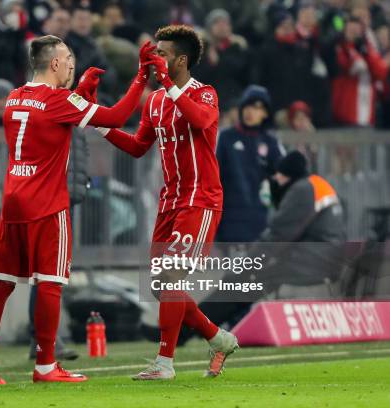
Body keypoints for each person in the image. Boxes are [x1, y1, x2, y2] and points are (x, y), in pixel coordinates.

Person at [0, 34, 156, 384]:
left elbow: (54, 121)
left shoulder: (14, 97)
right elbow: (116, 116)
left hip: (12, 200)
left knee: (2, 283)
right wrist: (140, 77)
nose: (73, 65)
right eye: (69, 58)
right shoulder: (59, 100)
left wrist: (80, 96)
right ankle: (45, 366)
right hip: (47, 202)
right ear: (55, 62)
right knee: (51, 283)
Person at [95, 25, 238, 380]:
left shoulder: (204, 93)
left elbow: (202, 120)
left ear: (182, 60)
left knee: (171, 278)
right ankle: (218, 338)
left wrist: (170, 86)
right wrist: (99, 123)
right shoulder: (156, 100)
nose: (155, 58)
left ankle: (164, 363)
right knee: (160, 285)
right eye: (153, 52)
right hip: (170, 200)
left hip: (200, 198)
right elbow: (138, 146)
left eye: (162, 53)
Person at [197, 151, 347, 328]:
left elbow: (277, 237)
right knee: (254, 279)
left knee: (248, 282)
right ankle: (203, 323)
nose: (276, 178)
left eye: (279, 174)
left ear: (288, 175)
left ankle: (194, 325)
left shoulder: (302, 190)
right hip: (325, 258)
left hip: (312, 261)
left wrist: (244, 267)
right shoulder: (318, 184)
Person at [215, 85, 284, 243]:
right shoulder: (226, 138)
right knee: (234, 267)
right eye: (247, 105)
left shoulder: (271, 142)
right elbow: (215, 179)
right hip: (229, 222)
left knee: (255, 267)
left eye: (257, 107)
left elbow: (281, 178)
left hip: (260, 223)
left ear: (265, 113)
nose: (250, 111)